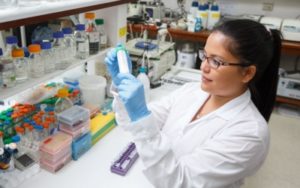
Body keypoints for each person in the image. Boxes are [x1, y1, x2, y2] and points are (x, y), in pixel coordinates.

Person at [105, 19, 281, 188]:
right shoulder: (192, 90)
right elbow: (132, 122)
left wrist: (141, 116)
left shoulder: (250, 134)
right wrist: (122, 82)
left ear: (247, 73)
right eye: (205, 55)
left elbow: (180, 182)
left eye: (216, 61)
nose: (203, 66)